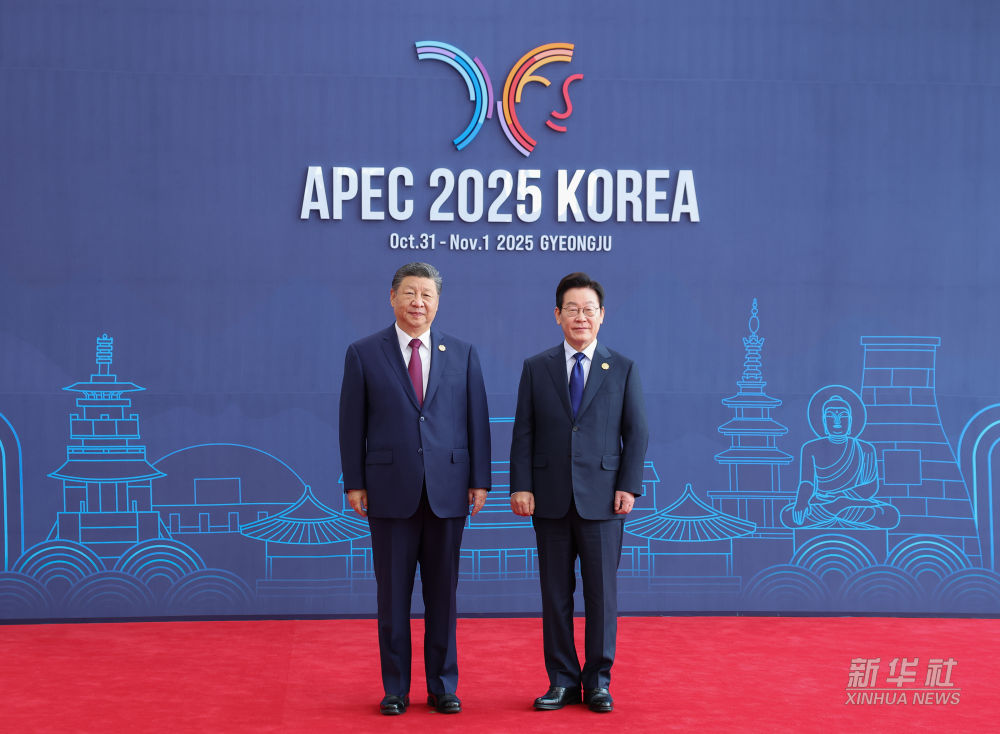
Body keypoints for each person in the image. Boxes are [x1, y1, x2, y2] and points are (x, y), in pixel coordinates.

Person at [339, 262, 491, 715]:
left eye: (427, 294)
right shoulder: (364, 353)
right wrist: (354, 482)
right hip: (389, 491)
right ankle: (396, 688)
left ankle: (443, 686)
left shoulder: (462, 353)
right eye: (409, 293)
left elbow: (477, 421)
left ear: (437, 302)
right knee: (393, 597)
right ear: (392, 297)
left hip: (449, 490)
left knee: (443, 596)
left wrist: (480, 480)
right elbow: (351, 424)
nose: (418, 302)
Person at [509, 272, 648, 713]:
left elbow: (636, 432)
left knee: (601, 596)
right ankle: (563, 681)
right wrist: (521, 485)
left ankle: (599, 681)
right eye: (572, 309)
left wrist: (628, 485)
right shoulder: (536, 368)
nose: (581, 317)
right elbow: (523, 431)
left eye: (589, 309)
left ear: (602, 315)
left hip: (604, 500)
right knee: (555, 596)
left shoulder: (622, 368)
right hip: (549, 499)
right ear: (557, 315)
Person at [782, 393, 899, 529]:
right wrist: (802, 500)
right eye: (830, 416)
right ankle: (837, 512)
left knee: (889, 514)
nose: (836, 422)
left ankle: (837, 511)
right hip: (823, 502)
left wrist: (841, 498)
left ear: (850, 421)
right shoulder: (810, 448)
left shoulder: (865, 448)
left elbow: (871, 486)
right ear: (824, 421)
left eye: (843, 416)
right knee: (788, 514)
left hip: (852, 503)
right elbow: (807, 482)